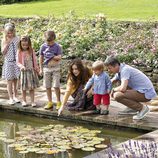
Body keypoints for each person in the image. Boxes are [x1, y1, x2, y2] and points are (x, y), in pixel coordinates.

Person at [105, 55, 157, 120]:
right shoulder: (120, 70)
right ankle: (133, 108)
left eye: (110, 68)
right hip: (140, 91)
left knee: (117, 95)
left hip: (146, 93)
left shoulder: (125, 70)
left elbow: (123, 88)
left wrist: (114, 89)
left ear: (116, 65)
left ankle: (143, 108)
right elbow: (111, 81)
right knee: (122, 85)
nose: (109, 70)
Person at [39, 30, 62, 110]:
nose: (49, 44)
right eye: (47, 42)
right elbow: (41, 58)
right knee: (47, 86)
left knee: (56, 86)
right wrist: (41, 69)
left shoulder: (58, 46)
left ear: (54, 39)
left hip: (56, 68)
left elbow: (59, 57)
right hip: (46, 68)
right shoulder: (43, 46)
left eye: (51, 42)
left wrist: (52, 56)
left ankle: (59, 102)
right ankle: (50, 102)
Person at [17, 36, 39, 107]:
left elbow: (35, 60)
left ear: (29, 44)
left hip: (31, 71)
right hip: (24, 72)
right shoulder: (19, 51)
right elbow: (17, 62)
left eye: (27, 45)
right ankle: (24, 101)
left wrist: (36, 69)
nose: (25, 46)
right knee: (23, 88)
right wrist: (21, 66)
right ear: (20, 44)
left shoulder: (31, 50)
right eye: (23, 45)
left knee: (31, 87)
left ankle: (32, 101)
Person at [1, 23, 20, 105]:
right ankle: (10, 98)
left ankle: (15, 96)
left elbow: (20, 49)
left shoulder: (17, 39)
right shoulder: (4, 40)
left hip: (16, 62)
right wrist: (7, 44)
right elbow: (3, 52)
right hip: (8, 63)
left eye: (11, 33)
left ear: (14, 32)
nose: (10, 34)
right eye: (8, 33)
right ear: (5, 33)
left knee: (16, 80)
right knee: (9, 81)